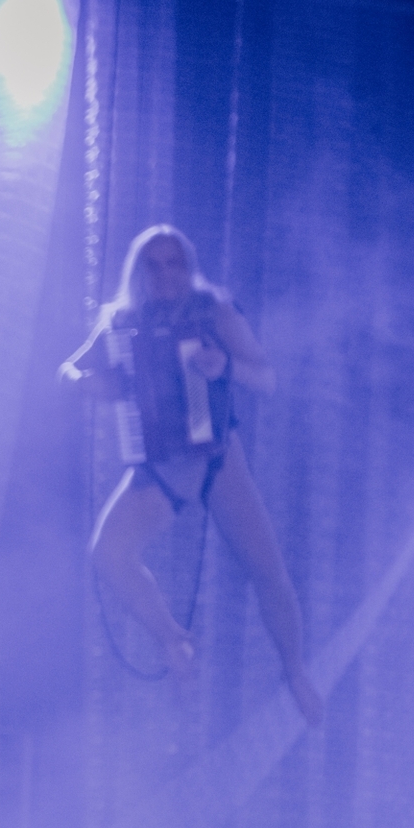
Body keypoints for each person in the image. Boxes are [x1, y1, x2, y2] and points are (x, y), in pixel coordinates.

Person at [62, 225, 324, 725]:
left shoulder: (215, 312)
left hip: (218, 459)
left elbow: (267, 378)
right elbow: (68, 371)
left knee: (267, 570)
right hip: (159, 464)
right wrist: (91, 384)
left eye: (174, 264)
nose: (165, 275)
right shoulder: (120, 321)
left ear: (188, 266)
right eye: (154, 265)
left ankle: (295, 671)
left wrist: (225, 366)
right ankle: (174, 641)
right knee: (109, 552)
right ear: (139, 272)